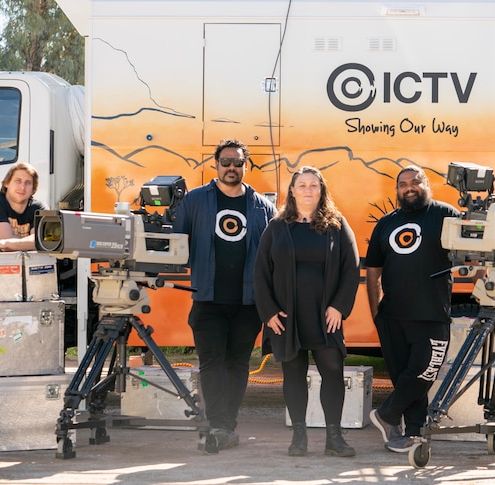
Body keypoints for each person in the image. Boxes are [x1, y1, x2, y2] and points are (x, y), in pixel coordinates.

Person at [172, 138, 277, 453]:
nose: (232, 167)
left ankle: (225, 425)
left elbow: (273, 255)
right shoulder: (195, 201)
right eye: (226, 162)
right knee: (212, 363)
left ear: (247, 166)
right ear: (215, 165)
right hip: (207, 299)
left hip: (248, 303)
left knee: (238, 364)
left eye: (238, 162)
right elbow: (179, 243)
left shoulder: (263, 207)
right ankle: (218, 425)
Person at [254, 166, 360, 458]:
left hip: (326, 315)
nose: (308, 190)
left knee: (333, 371)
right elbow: (260, 272)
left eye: (314, 185)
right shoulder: (277, 226)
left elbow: (351, 269)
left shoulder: (337, 225)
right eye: (302, 185)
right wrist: (269, 312)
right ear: (292, 190)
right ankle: (299, 436)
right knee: (293, 375)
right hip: (287, 316)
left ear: (321, 190)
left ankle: (334, 438)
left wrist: (339, 306)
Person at [365, 165, 460, 453]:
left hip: (432, 312)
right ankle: (412, 434)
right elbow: (373, 272)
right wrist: (375, 313)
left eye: (415, 182)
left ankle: (385, 414)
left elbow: (472, 252)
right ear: (397, 189)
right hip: (392, 315)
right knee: (405, 377)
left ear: (426, 183)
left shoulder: (446, 215)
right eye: (403, 183)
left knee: (424, 373)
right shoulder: (385, 223)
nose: (409, 187)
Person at [0, 161, 46, 252]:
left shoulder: (39, 208)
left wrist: (7, 242)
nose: (22, 187)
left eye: (28, 183)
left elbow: (42, 242)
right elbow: (6, 248)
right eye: (18, 181)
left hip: (32, 265)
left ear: (33, 188)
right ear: (6, 183)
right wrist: (30, 242)